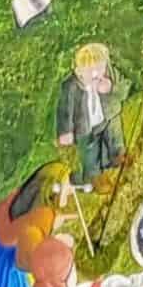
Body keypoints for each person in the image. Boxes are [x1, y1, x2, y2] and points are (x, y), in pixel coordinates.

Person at [56, 43, 128, 190]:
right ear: (79, 71)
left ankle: (119, 155)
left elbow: (124, 90)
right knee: (91, 151)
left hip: (108, 117)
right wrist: (65, 131)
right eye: (90, 70)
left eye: (100, 68)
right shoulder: (71, 86)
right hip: (86, 127)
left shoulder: (109, 74)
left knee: (114, 135)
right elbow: (65, 110)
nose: (96, 74)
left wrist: (111, 88)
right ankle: (95, 177)